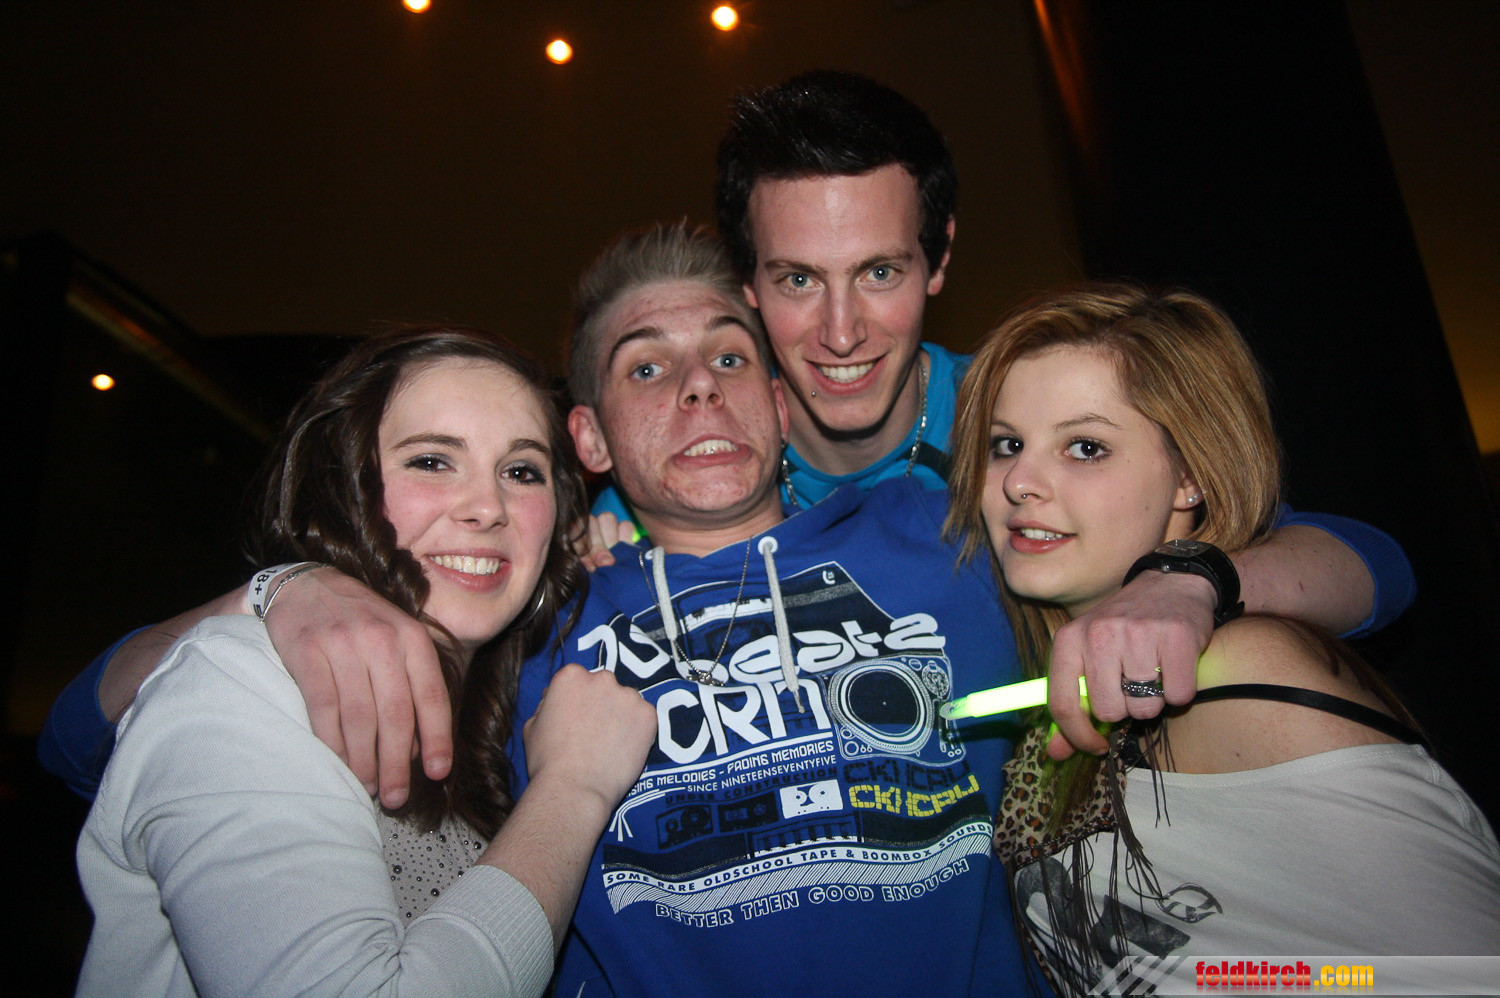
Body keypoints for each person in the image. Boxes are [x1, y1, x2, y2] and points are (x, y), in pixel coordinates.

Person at [943, 284, 1500, 994]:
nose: (1020, 481)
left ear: (1191, 479)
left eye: (1085, 447)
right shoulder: (1043, 688)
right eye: (1007, 445)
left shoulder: (1242, 670)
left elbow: (1470, 969)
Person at [74, 326, 656, 997]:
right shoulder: (243, 682)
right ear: (345, 487)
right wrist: (572, 790)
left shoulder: (500, 729)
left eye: (521, 472)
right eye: (431, 461)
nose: (488, 508)